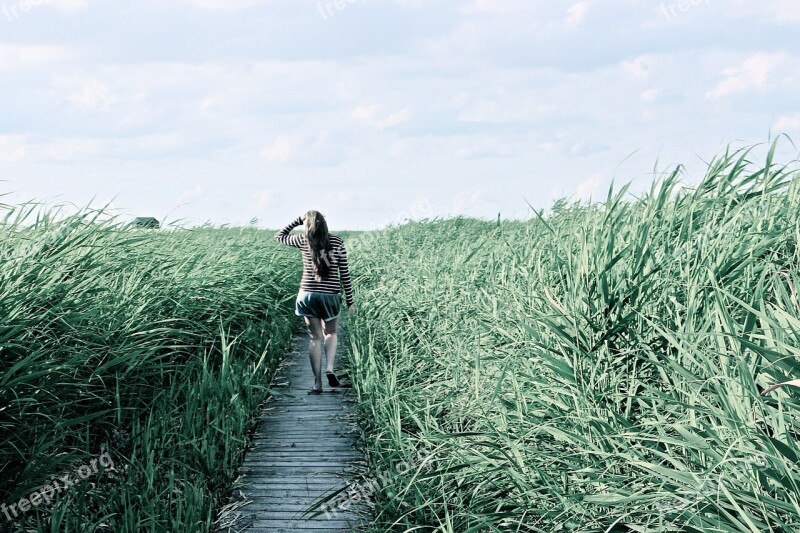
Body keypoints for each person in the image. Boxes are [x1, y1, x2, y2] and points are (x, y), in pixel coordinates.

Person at [275, 211, 355, 394]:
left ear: (307, 224)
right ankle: (330, 369)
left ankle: (317, 383)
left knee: (315, 338)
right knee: (331, 333)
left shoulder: (303, 240)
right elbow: (345, 273)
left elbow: (279, 236)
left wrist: (297, 220)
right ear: (325, 224)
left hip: (307, 295)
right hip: (330, 295)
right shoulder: (337, 241)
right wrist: (350, 300)